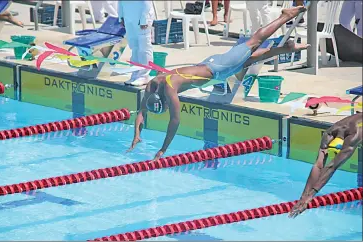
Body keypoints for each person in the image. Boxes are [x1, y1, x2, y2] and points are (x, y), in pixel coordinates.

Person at [126, 6, 309, 160]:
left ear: (164, 101)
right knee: (248, 60)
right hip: (210, 65)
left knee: (254, 42)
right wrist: (136, 135)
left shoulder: (170, 90)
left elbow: (175, 122)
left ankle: (286, 16)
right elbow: (142, 111)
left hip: (218, 69)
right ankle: (286, 48)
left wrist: (163, 149)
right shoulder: (154, 84)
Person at [289, 113, 363, 218]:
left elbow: (331, 167)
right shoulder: (329, 132)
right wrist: (303, 197)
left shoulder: (353, 136)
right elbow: (318, 165)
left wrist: (310, 196)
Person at [118, 0, 154, 86]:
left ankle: (144, 75)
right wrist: (121, 16)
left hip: (141, 16)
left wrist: (144, 18)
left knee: (144, 47)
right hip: (128, 16)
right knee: (134, 47)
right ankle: (135, 73)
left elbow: (147, 2)